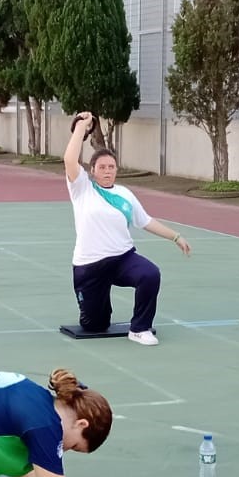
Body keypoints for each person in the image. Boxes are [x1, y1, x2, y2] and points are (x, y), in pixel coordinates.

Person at [62, 111, 190, 346]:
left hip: (122, 259)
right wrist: (81, 126)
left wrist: (176, 237)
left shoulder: (124, 194)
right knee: (95, 324)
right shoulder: (82, 189)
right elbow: (70, 160)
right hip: (89, 267)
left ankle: (139, 329)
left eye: (112, 166)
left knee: (150, 274)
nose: (108, 170)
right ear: (92, 170)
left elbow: (146, 221)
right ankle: (97, 307)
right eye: (102, 167)